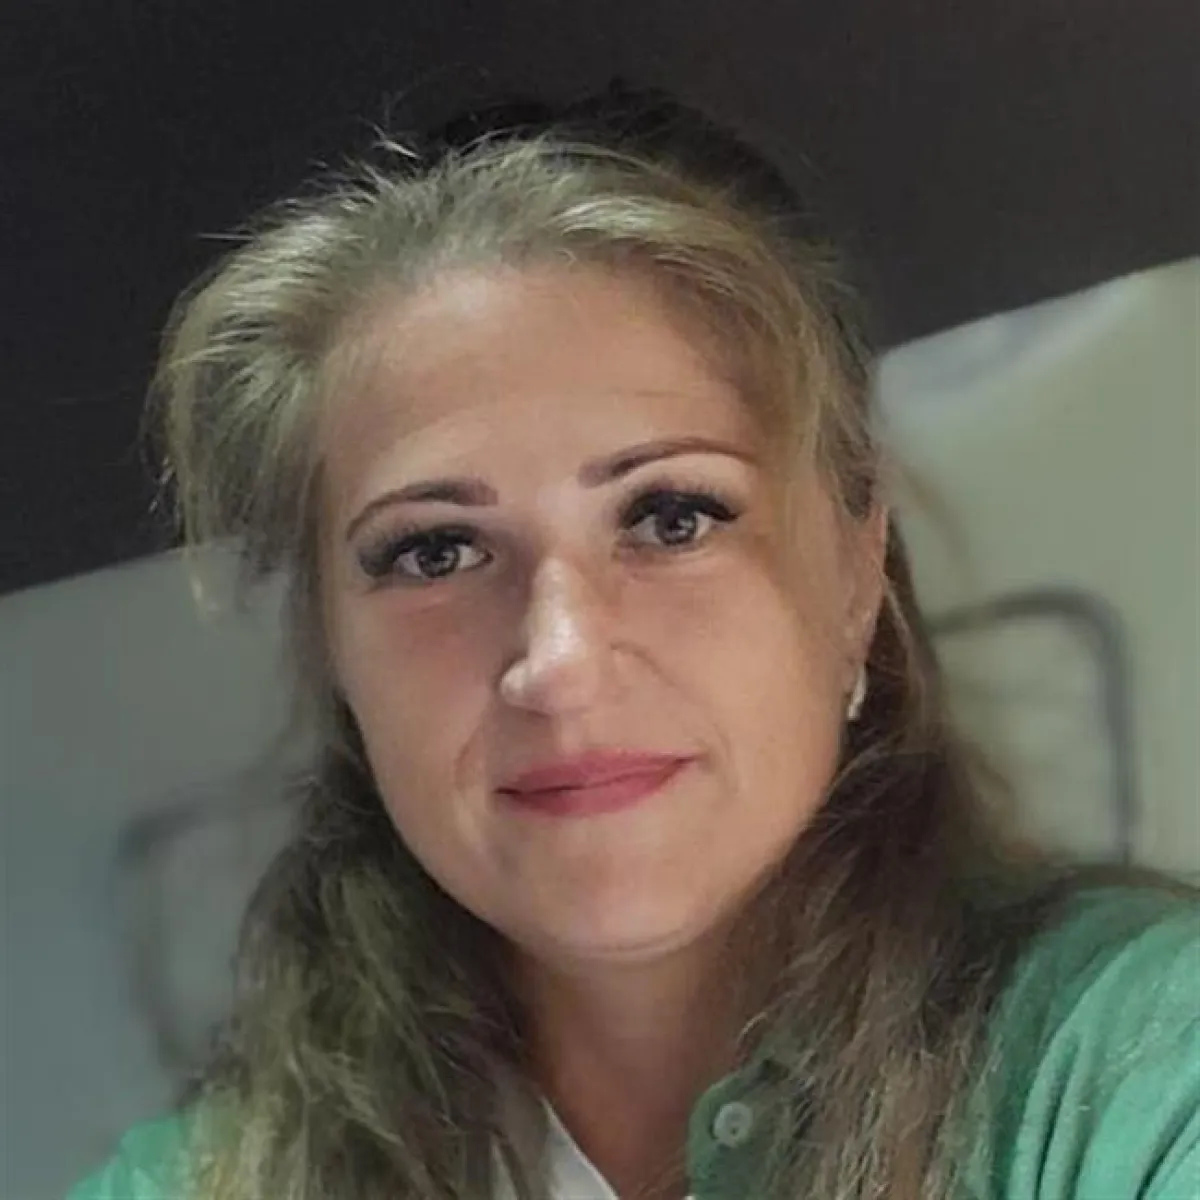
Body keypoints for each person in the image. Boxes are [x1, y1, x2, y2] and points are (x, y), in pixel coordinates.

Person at [69, 85, 1198, 1200]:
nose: (559, 661)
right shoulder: (195, 1183)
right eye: (435, 551)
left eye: (672, 518)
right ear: (332, 648)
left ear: (857, 574)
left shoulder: (1139, 1073)